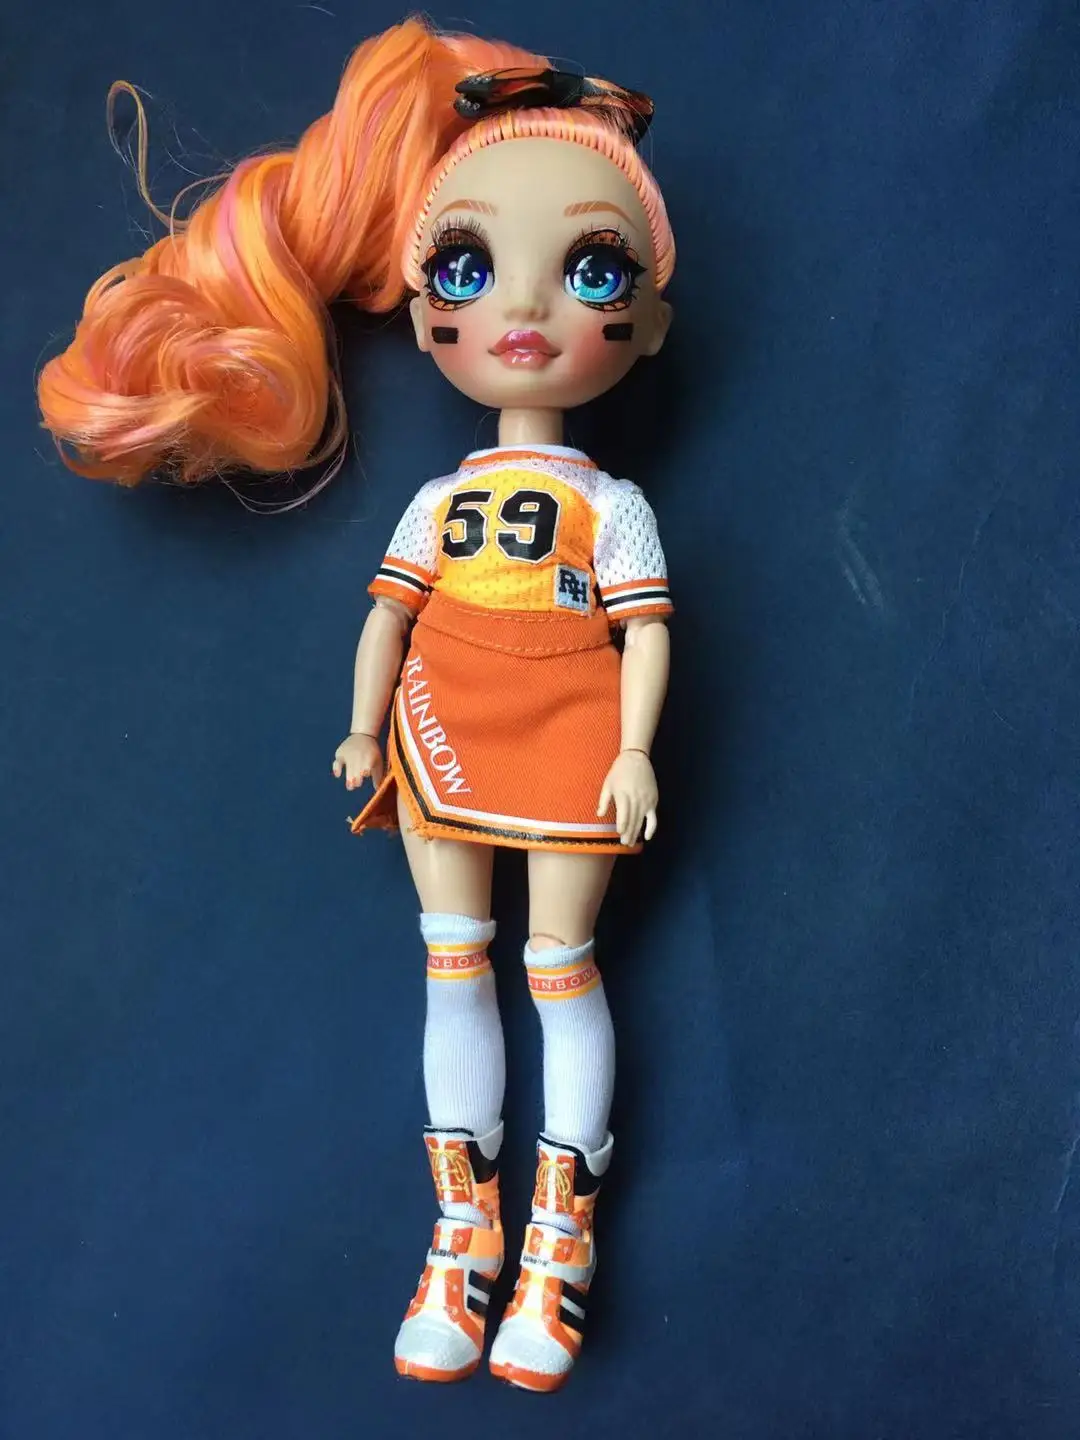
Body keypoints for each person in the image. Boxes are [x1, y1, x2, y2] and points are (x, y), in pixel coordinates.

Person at [37, 17, 676, 1393]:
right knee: (455, 960)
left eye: (592, 270)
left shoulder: (614, 508)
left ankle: (559, 1235)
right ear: (421, 298)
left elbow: (645, 634)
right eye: (468, 268)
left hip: (574, 743)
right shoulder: (437, 504)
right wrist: (362, 725)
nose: (522, 308)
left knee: (558, 968)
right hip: (442, 732)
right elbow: (388, 617)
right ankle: (463, 1229)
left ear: (651, 322)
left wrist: (633, 749)